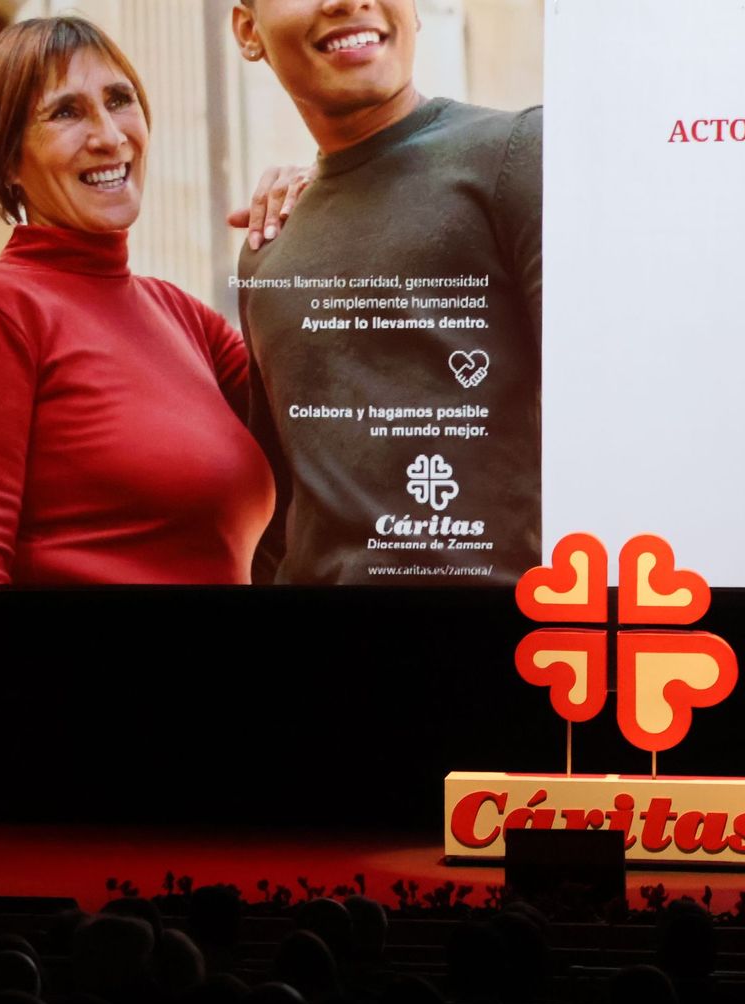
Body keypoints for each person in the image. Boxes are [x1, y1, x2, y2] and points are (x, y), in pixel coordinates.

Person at [0, 16, 280, 584]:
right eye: (65, 112)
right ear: (9, 162)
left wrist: (323, 210)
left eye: (119, 99)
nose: (109, 136)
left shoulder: (186, 320)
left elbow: (329, 425)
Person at [231, 0, 542, 585]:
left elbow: (612, 415)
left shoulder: (519, 155)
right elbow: (278, 505)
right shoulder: (267, 248)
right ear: (249, 31)